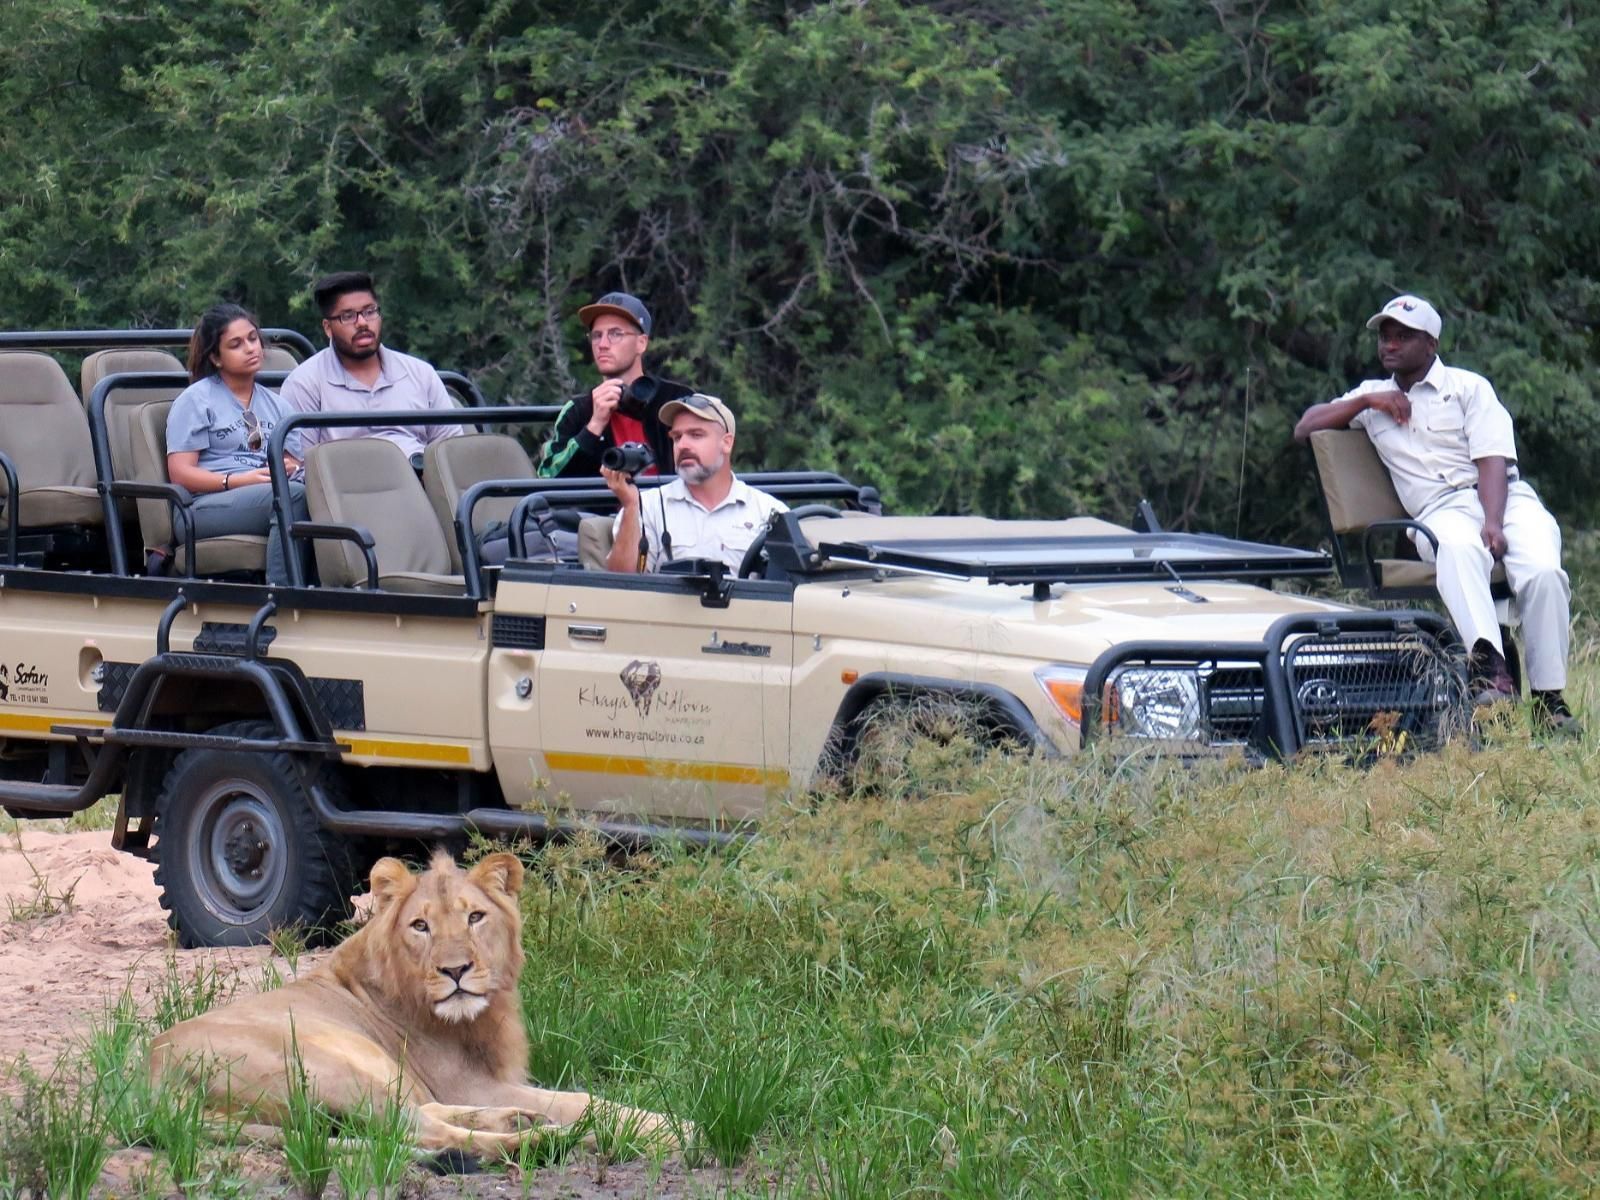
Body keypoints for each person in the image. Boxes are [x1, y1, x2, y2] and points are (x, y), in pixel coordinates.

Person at [1293, 294, 1579, 733]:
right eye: (1385, 336)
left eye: (1402, 336)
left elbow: (1492, 462)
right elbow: (1305, 426)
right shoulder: (1372, 396)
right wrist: (1369, 405)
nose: (1389, 344)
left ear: (1430, 344)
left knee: (1543, 571)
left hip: (1504, 499)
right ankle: (1490, 669)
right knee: (1457, 548)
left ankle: (1548, 700)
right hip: (1438, 511)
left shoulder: (1468, 388)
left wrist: (1493, 522)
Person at [165, 303, 310, 584]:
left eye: (253, 339)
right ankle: (283, 595)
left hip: (266, 493)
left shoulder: (278, 405)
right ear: (217, 358)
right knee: (291, 496)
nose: (250, 348)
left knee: (318, 493)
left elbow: (293, 460)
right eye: (236, 344)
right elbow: (181, 474)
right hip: (204, 506)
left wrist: (287, 467)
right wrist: (238, 480)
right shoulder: (196, 401)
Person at [279, 271, 461, 464]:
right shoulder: (304, 383)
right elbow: (300, 468)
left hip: (422, 484)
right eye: (348, 316)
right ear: (328, 328)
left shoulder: (420, 373)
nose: (362, 323)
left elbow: (452, 453)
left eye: (370, 311)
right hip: (348, 488)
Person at [602, 393, 786, 573]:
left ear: (727, 443)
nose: (682, 445)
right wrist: (631, 506)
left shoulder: (769, 512)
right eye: (677, 437)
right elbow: (621, 587)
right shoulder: (646, 507)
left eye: (696, 435)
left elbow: (790, 589)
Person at [537, 291, 694, 479]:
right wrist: (594, 426)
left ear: (641, 343)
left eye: (615, 334)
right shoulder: (578, 411)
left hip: (667, 507)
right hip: (597, 509)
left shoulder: (676, 400)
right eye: (596, 335)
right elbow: (547, 479)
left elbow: (707, 466)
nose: (602, 344)